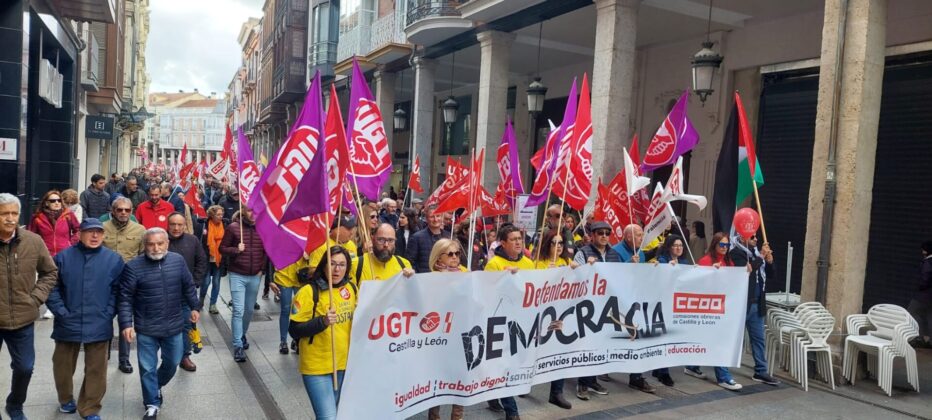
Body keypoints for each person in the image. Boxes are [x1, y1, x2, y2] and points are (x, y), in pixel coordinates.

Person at [118, 227, 201, 420]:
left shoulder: (177, 261)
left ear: (167, 244)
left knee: (172, 362)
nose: (155, 248)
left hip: (174, 324)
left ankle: (155, 386)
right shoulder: (133, 267)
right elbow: (125, 298)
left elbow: (188, 286)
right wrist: (126, 324)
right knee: (147, 368)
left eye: (159, 243)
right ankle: (152, 404)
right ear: (145, 245)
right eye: (151, 244)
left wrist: (195, 307)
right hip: (146, 326)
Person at [47, 218, 124, 420]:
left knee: (97, 369)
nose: (95, 236)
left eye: (99, 232)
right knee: (62, 365)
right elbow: (51, 288)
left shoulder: (113, 260)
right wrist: (61, 311)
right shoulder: (62, 258)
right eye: (90, 232)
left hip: (99, 320)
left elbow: (118, 290)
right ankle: (65, 400)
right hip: (68, 320)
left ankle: (90, 408)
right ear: (79, 234)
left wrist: (109, 312)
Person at [0, 193, 58, 420]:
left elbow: (50, 272)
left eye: (14, 213)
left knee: (24, 367)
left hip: (23, 318)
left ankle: (15, 404)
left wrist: (35, 299)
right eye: (4, 214)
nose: (10, 218)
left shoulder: (33, 241)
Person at [289, 246, 357, 420]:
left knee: (336, 414)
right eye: (332, 264)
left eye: (342, 265)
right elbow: (294, 330)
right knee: (328, 417)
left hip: (343, 365)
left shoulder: (351, 289)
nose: (337, 269)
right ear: (323, 265)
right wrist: (323, 322)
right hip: (317, 367)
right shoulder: (308, 292)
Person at [483, 224, 533, 419]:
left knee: (511, 365)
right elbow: (487, 293)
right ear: (503, 243)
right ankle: (512, 411)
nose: (518, 242)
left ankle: (493, 396)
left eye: (519, 238)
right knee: (504, 365)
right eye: (513, 239)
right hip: (500, 322)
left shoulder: (529, 263)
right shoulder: (494, 264)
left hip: (522, 322)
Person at [686, 232, 743, 390]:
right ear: (715, 245)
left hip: (721, 308)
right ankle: (723, 377)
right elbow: (698, 283)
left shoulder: (728, 261)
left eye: (727, 245)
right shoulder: (706, 260)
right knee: (718, 341)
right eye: (722, 245)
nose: (725, 248)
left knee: (710, 339)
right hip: (709, 308)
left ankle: (691, 366)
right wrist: (711, 271)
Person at [572, 221, 622, 400]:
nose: (604, 236)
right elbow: (574, 275)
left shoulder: (614, 254)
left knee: (600, 345)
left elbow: (622, 277)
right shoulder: (583, 253)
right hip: (587, 306)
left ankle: (592, 379)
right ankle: (583, 383)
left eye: (607, 233)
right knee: (587, 345)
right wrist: (585, 266)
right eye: (600, 233)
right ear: (592, 235)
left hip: (607, 305)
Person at [730, 232, 781, 386]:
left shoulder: (757, 253)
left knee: (758, 339)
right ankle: (716, 366)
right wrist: (761, 257)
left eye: (756, 236)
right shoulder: (736, 253)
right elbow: (746, 272)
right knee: (731, 338)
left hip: (757, 303)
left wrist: (770, 262)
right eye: (752, 236)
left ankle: (761, 370)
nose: (756, 239)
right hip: (742, 303)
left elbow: (771, 275)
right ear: (742, 236)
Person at [102, 197, 146, 374]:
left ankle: (124, 359)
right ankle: (102, 354)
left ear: (132, 211)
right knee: (104, 320)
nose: (123, 213)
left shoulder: (141, 230)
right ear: (112, 210)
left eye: (127, 210)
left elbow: (144, 257)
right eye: (119, 209)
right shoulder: (102, 228)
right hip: (105, 283)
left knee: (126, 322)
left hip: (129, 284)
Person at [220, 207, 268, 363]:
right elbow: (223, 248)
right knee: (238, 310)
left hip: (255, 276)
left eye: (255, 210)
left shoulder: (262, 228)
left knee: (248, 310)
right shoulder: (233, 227)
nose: (252, 214)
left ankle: (242, 333)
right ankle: (238, 346)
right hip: (237, 275)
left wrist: (262, 269)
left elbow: (266, 251)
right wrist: (236, 250)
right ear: (243, 212)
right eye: (249, 210)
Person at [426, 239, 466, 420]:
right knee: (438, 380)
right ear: (438, 258)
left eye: (457, 253)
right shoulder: (430, 279)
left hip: (463, 336)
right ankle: (434, 417)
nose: (455, 257)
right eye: (450, 254)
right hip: (440, 339)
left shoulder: (467, 274)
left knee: (462, 380)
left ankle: (457, 417)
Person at [167, 213, 207, 373]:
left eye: (179, 225)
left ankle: (184, 356)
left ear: (184, 225)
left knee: (186, 325)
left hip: (185, 294)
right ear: (168, 225)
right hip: (164, 294)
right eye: (173, 224)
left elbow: (201, 262)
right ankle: (167, 355)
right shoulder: (161, 240)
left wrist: (195, 281)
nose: (176, 228)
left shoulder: (193, 241)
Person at [28, 190, 80, 257]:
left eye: (59, 200)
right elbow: (30, 236)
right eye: (53, 201)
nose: (57, 203)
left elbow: (79, 230)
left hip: (65, 255)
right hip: (45, 256)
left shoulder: (68, 215)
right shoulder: (38, 218)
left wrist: (71, 243)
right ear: (46, 203)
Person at [406, 206, 451, 273]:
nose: (435, 219)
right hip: (424, 278)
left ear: (441, 217)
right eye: (432, 217)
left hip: (444, 278)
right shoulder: (417, 238)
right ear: (426, 219)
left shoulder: (448, 236)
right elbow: (410, 262)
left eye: (438, 216)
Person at [200, 205, 227, 315]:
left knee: (216, 282)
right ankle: (201, 300)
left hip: (219, 258)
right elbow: (201, 241)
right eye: (218, 214)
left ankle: (213, 304)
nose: (220, 217)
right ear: (212, 215)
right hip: (207, 257)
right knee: (206, 281)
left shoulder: (225, 224)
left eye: (222, 214)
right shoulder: (205, 225)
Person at [908, 241, 932, 347]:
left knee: (911, 312)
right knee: (929, 316)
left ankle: (919, 337)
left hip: (923, 296)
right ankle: (930, 341)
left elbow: (924, 281)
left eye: (923, 249)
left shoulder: (928, 263)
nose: (922, 251)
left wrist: (919, 286)